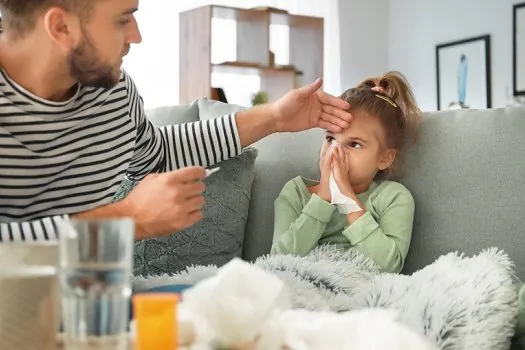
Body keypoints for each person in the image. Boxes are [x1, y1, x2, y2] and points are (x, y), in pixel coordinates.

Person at [0, 0, 353, 242]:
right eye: (122, 19)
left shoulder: (112, 91)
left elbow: (156, 154)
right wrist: (124, 222)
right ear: (61, 27)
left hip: (98, 311)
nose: (135, 36)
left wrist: (274, 116)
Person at [270, 71, 422, 273]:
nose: (335, 151)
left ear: (385, 158)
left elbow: (390, 266)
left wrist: (347, 198)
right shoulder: (296, 193)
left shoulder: (393, 197)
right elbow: (277, 260)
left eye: (355, 144)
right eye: (330, 139)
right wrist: (324, 196)